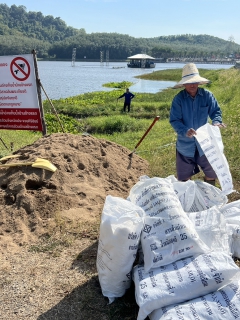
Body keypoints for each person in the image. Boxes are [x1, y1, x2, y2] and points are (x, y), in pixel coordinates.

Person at [169, 63, 226, 185]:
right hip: (185, 145)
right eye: (189, 82)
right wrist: (185, 130)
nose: (192, 85)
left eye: (195, 82)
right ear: (184, 84)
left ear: (199, 82)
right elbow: (175, 120)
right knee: (184, 179)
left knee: (211, 173)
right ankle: (188, 201)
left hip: (205, 144)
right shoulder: (178, 99)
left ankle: (209, 199)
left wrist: (216, 122)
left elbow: (216, 111)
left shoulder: (207, 96)